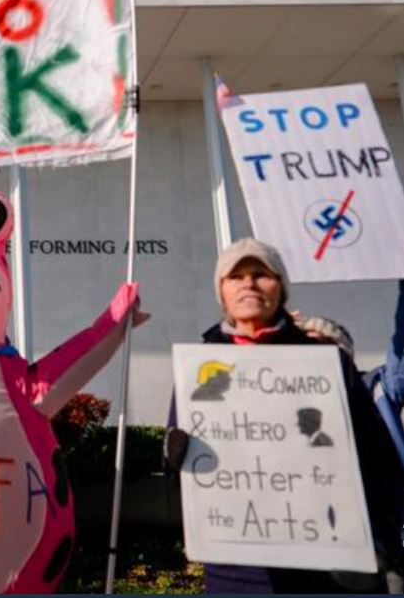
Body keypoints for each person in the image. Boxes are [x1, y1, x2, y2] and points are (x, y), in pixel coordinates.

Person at [165, 238, 404, 593]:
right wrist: (175, 455)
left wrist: (384, 541)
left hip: (327, 569)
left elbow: (378, 457)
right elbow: (181, 472)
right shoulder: (198, 369)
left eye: (261, 274)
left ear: (281, 288)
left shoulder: (327, 363)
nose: (249, 283)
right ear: (222, 291)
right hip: (239, 574)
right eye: (236, 276)